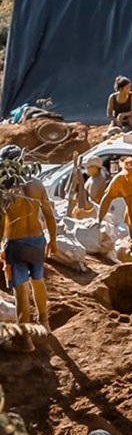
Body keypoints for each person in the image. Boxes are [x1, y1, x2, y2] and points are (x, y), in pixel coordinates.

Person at [0, 146, 56, 350]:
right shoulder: (37, 184)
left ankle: (25, 340)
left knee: (20, 290)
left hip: (16, 243)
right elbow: (49, 215)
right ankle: (45, 321)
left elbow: (0, 223)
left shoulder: (4, 190)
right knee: (38, 281)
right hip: (37, 240)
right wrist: (53, 240)